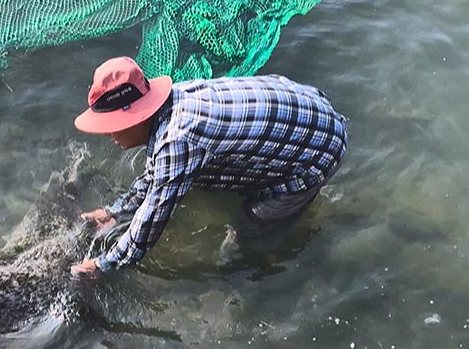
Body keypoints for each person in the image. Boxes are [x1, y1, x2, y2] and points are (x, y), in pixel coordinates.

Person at [69, 56, 347, 278]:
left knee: (249, 229)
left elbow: (150, 224)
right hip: (310, 104)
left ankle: (261, 267)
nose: (108, 135)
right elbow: (157, 173)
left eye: (112, 127)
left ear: (136, 118)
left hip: (319, 150)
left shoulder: (177, 141)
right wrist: (114, 212)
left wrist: (104, 265)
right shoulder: (176, 98)